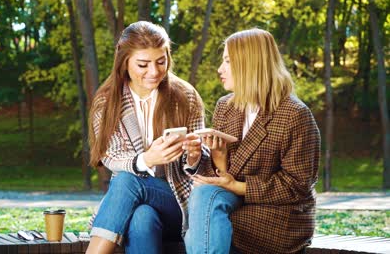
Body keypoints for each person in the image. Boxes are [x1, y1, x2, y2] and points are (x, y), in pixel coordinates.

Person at [184, 28, 321, 254]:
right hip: (230, 202)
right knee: (204, 205)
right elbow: (221, 178)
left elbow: (298, 186)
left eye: (228, 61)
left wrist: (237, 186)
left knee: (199, 230)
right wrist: (214, 157)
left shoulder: (295, 114)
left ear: (249, 64)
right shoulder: (225, 106)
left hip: (278, 214)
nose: (220, 69)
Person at [86, 21, 210, 254]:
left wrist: (194, 156)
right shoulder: (107, 101)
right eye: (143, 64)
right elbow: (110, 156)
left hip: (179, 203)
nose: (154, 72)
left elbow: (204, 164)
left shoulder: (185, 96)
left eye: (161, 62)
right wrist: (147, 160)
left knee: (125, 180)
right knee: (142, 218)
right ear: (124, 62)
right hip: (134, 204)